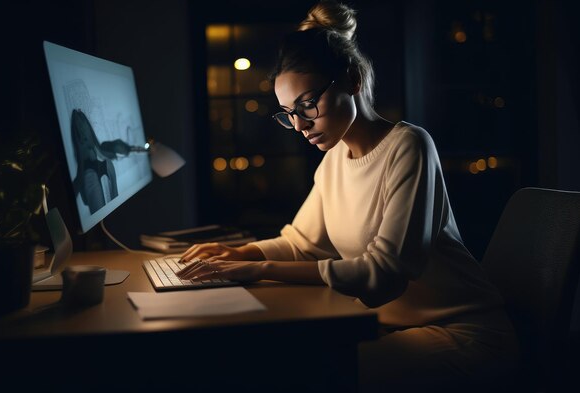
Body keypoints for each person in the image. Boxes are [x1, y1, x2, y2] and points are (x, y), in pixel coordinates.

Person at [177, 1, 518, 390]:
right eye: (289, 113)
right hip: (389, 328)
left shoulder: (409, 147)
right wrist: (242, 254)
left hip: (462, 334)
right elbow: (301, 244)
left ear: (353, 79)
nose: (300, 125)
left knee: (311, 373)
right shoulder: (334, 160)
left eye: (308, 105)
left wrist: (261, 269)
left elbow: (385, 272)